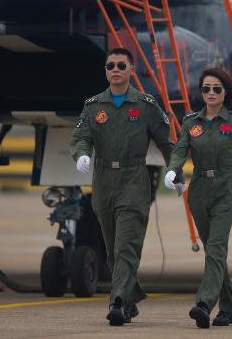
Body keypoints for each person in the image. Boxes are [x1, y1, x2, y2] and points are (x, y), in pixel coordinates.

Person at [69, 48, 174, 326]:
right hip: (103, 181)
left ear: (131, 69)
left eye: (120, 65)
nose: (115, 70)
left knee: (127, 245)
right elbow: (80, 136)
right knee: (113, 247)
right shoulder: (93, 106)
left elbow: (166, 141)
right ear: (106, 71)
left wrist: (174, 170)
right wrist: (81, 153)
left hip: (133, 179)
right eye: (110, 66)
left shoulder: (145, 104)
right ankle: (129, 298)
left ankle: (116, 302)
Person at [163, 67, 232, 328]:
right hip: (198, 191)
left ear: (225, 92)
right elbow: (179, 150)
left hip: (225, 190)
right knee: (213, 252)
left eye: (216, 89)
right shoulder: (190, 123)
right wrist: (173, 170)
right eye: (206, 89)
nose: (210, 93)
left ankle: (204, 304)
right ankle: (228, 308)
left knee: (217, 248)